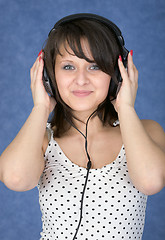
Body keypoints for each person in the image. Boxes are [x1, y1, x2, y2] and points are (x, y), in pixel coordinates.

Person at [0, 13, 165, 240]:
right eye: (68, 67)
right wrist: (40, 106)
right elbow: (16, 179)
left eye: (95, 66)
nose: (81, 80)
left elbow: (151, 182)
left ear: (117, 74)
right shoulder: (42, 138)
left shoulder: (146, 131)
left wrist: (125, 106)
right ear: (49, 75)